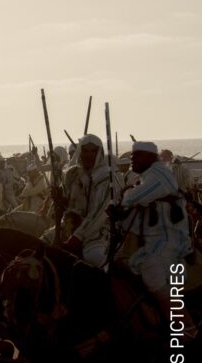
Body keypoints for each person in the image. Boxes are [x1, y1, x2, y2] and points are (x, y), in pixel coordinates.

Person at [111, 141, 194, 332]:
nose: (132, 159)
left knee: (152, 274)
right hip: (156, 238)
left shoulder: (159, 176)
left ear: (149, 157)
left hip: (169, 239)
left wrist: (127, 194)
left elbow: (132, 198)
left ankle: (187, 328)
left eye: (136, 156)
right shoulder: (147, 177)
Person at [61, 134, 112, 268]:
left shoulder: (106, 176)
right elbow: (68, 203)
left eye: (93, 151)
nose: (89, 155)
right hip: (71, 226)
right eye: (85, 151)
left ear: (99, 153)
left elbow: (100, 212)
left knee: (95, 257)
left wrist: (79, 236)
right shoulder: (72, 174)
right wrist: (59, 199)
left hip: (97, 232)